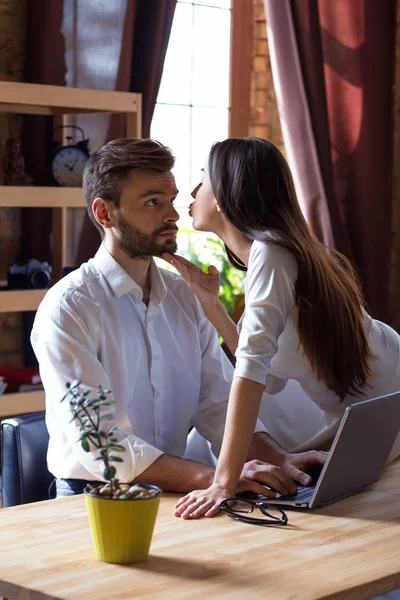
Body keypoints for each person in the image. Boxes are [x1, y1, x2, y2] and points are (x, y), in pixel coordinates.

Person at [31, 138, 326, 499]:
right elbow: (103, 445)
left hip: (179, 492)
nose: (172, 214)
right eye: (153, 202)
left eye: (171, 199)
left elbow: (217, 403)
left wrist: (280, 459)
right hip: (91, 498)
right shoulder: (67, 309)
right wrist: (218, 477)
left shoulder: (185, 295)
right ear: (105, 213)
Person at [163, 137, 400, 519]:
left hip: (383, 408)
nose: (192, 190)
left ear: (224, 194)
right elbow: (270, 379)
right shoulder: (280, 250)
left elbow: (252, 374)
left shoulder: (270, 254)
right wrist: (212, 305)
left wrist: (223, 482)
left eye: (203, 178)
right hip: (376, 408)